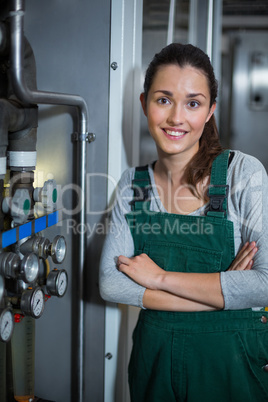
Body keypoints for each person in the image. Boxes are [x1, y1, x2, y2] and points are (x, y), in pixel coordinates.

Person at [99, 43, 268, 401]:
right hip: (154, 365)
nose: (177, 117)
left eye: (193, 103)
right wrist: (219, 294)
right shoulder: (134, 184)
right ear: (145, 103)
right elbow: (110, 284)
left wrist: (159, 278)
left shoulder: (243, 173)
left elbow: (263, 285)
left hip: (231, 369)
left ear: (210, 112)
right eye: (163, 100)